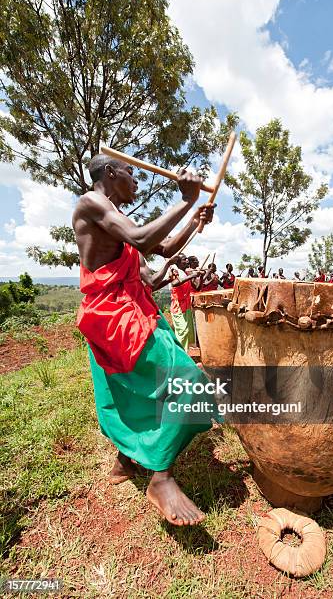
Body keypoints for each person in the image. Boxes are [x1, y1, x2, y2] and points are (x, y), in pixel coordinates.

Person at [73, 154, 219, 527]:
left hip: (127, 312)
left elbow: (163, 249)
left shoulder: (114, 223)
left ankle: (126, 458)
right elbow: (142, 238)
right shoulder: (92, 203)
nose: (136, 180)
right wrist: (185, 200)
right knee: (190, 383)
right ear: (110, 172)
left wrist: (195, 221)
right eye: (130, 172)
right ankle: (160, 477)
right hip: (114, 317)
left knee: (126, 391)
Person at [169, 255, 201, 351]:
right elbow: (174, 283)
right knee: (183, 331)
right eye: (184, 259)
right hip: (178, 306)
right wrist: (192, 275)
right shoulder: (175, 272)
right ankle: (179, 354)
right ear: (178, 262)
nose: (187, 261)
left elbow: (197, 287)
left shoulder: (185, 273)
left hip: (186, 305)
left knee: (187, 332)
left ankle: (184, 352)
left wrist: (200, 276)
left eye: (187, 259)